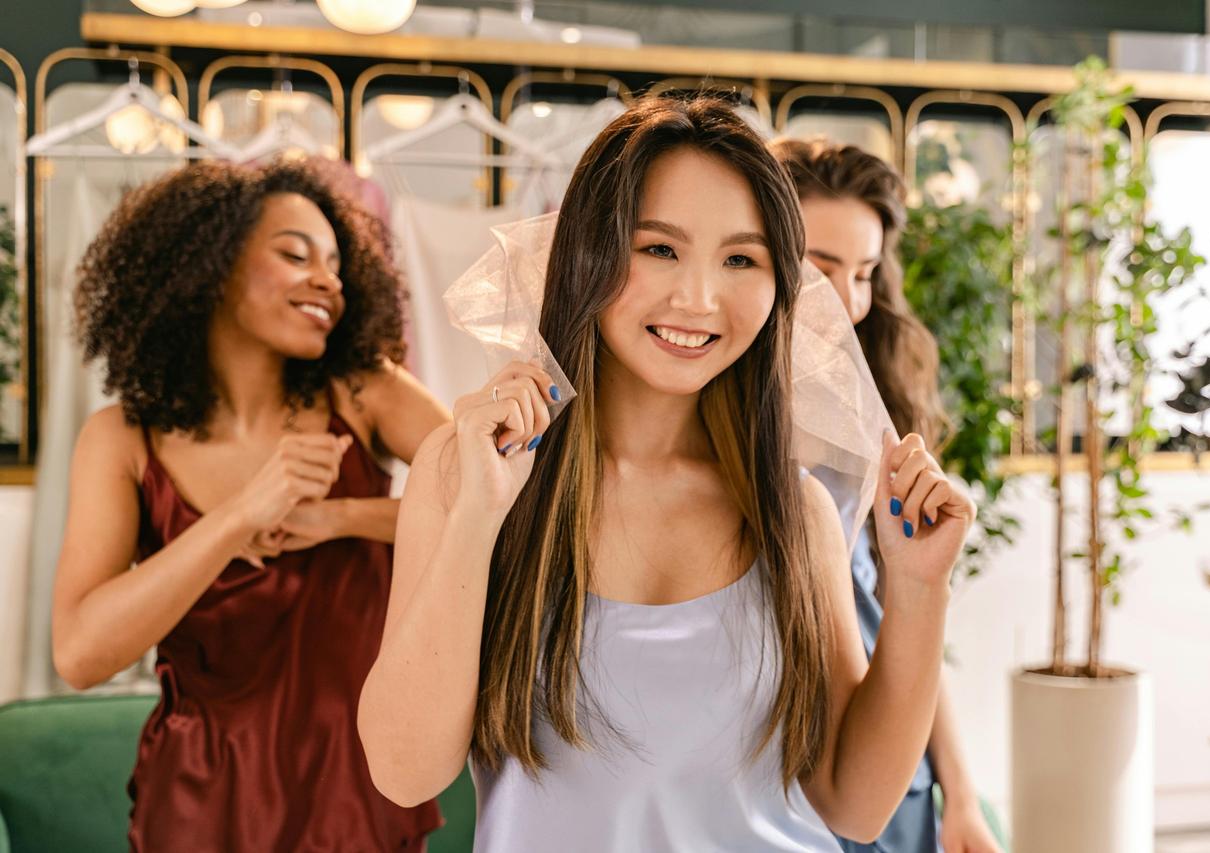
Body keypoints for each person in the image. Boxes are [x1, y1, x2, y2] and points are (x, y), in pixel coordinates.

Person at [359, 95, 974, 852]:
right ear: (588, 252)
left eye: (742, 259)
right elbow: (403, 771)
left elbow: (854, 804)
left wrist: (920, 589)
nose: (699, 299)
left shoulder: (794, 509)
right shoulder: (464, 473)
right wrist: (480, 515)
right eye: (659, 248)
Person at [50, 160, 449, 850]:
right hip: (197, 803)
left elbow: (512, 504)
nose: (328, 280)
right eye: (295, 255)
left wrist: (340, 517)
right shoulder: (122, 439)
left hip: (353, 791)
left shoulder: (363, 393)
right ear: (209, 266)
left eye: (335, 263)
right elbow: (82, 653)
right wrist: (238, 518)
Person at [773, 136, 1002, 853]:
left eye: (866, 273)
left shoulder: (871, 431)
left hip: (888, 767)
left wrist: (960, 795)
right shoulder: (704, 427)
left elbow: (903, 623)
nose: (848, 300)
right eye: (821, 267)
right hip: (778, 774)